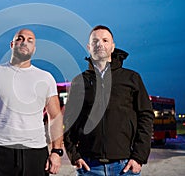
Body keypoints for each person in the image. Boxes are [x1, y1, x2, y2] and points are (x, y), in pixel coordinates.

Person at [63, 25, 154, 176]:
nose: (100, 44)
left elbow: (146, 116)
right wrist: (74, 156)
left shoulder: (131, 78)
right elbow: (69, 121)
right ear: (89, 47)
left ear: (112, 47)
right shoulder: (79, 82)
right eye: (95, 41)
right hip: (89, 168)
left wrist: (139, 157)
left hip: (124, 167)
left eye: (105, 40)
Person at [0, 28, 63, 176]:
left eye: (30, 40)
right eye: (20, 38)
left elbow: (56, 117)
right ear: (12, 44)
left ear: (34, 48)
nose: (24, 42)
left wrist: (56, 152)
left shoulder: (46, 78)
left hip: (36, 154)